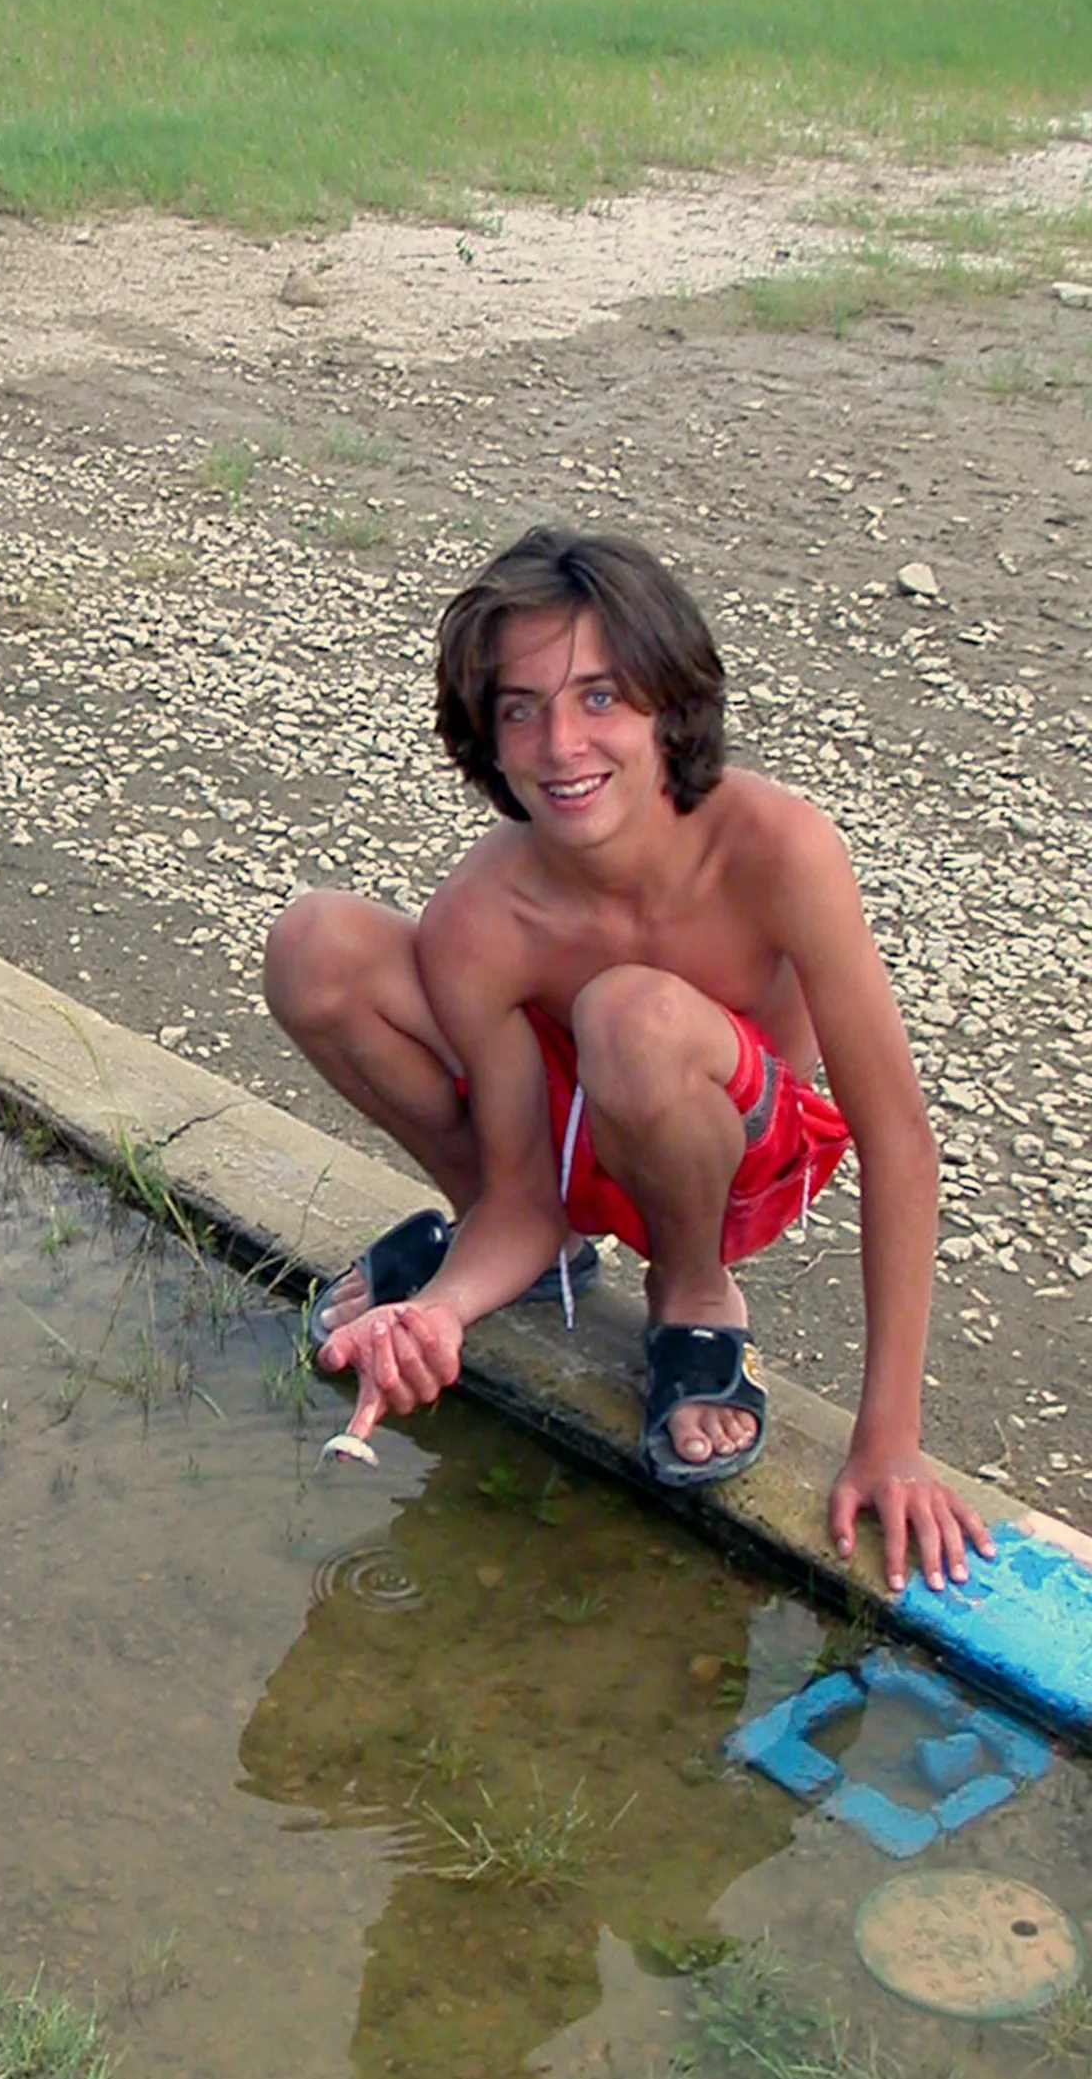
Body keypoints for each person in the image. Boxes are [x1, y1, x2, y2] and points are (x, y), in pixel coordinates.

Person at [263, 523, 994, 1597]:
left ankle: (692, 1297)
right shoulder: (482, 912)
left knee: (630, 1017)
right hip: (565, 1142)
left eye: (598, 697)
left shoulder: (778, 849)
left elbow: (899, 1145)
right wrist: (442, 1314)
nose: (560, 745)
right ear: (486, 737)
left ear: (668, 701)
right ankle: (510, 1269)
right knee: (312, 944)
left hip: (726, 1147)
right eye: (520, 708)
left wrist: (887, 1438)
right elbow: (521, 1188)